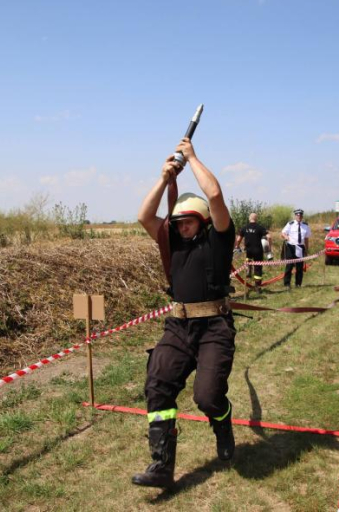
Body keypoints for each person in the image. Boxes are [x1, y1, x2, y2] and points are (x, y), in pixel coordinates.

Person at [133, 138, 236, 488]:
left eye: (188, 221)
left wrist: (191, 158)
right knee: (158, 385)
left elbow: (217, 195)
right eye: (177, 222)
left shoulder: (219, 239)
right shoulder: (170, 241)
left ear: (202, 220)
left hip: (214, 328)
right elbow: (144, 216)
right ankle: (161, 466)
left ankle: (222, 421)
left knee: (206, 397)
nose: (181, 227)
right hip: (178, 327)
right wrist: (164, 178)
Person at [235, 213, 271, 292]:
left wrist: (237, 246)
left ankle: (248, 270)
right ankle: (257, 287)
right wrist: (269, 248)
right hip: (258, 251)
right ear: (256, 219)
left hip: (249, 250)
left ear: (249, 218)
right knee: (258, 269)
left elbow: (238, 239)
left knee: (248, 260)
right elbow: (269, 236)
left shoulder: (244, 227)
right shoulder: (260, 227)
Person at [281, 209, 311, 288]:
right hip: (291, 246)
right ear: (295, 216)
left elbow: (306, 239)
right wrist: (286, 237)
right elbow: (283, 233)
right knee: (289, 266)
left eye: (300, 215)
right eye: (297, 215)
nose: (299, 217)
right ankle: (287, 284)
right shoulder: (290, 224)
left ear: (302, 216)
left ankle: (298, 284)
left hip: (300, 247)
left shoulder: (305, 225)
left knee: (299, 267)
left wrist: (306, 250)